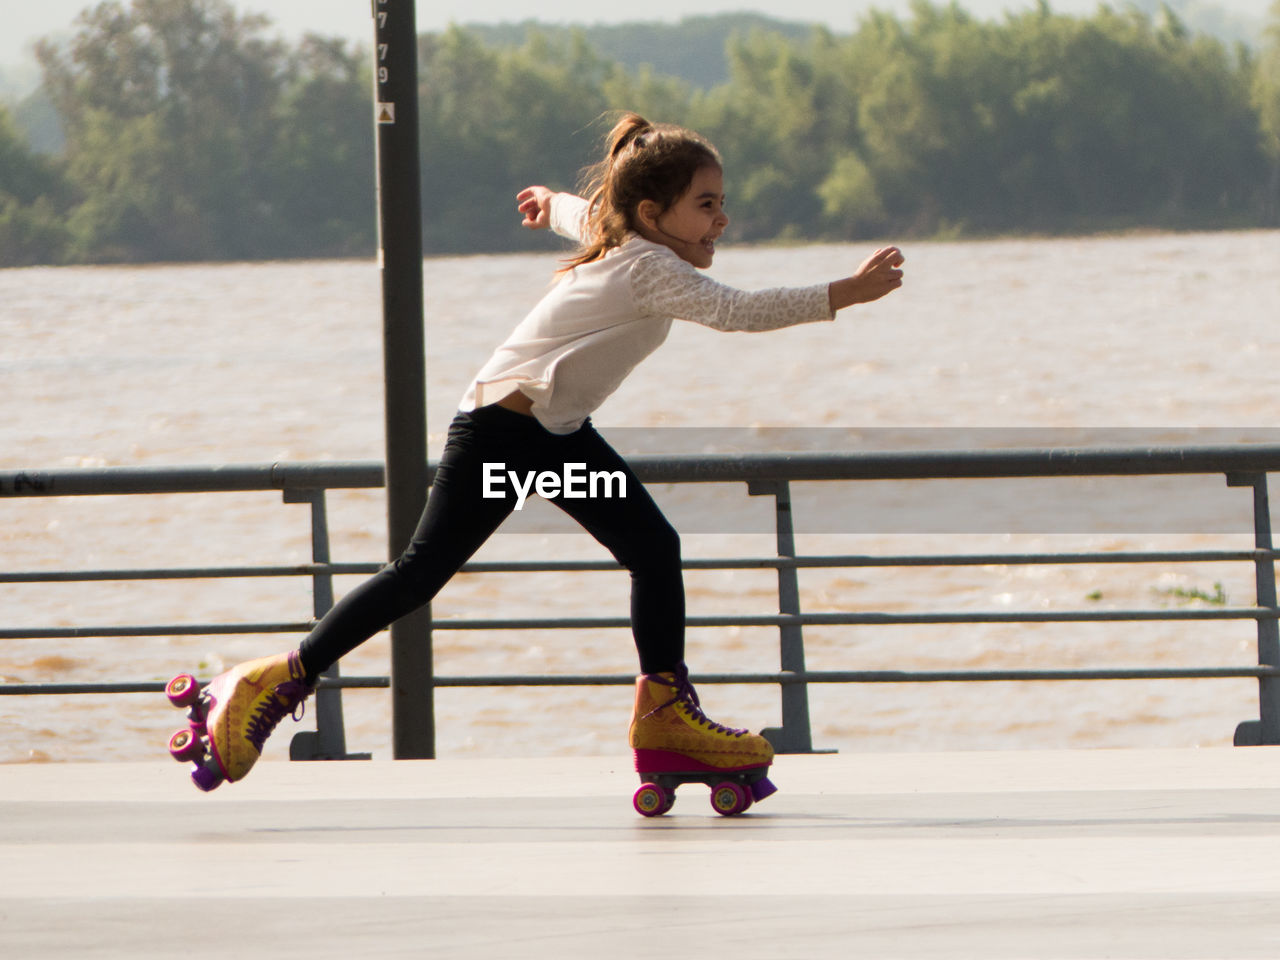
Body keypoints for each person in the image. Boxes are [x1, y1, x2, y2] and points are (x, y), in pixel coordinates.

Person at [164, 113, 905, 802]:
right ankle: (271, 681)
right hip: (504, 435)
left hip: (548, 435)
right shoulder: (651, 268)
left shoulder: (626, 238)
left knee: (653, 546)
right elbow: (740, 312)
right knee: (422, 572)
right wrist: (849, 292)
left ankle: (665, 717)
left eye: (721, 202)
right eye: (706, 204)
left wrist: (550, 203)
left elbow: (585, 214)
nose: (722, 219)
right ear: (654, 215)